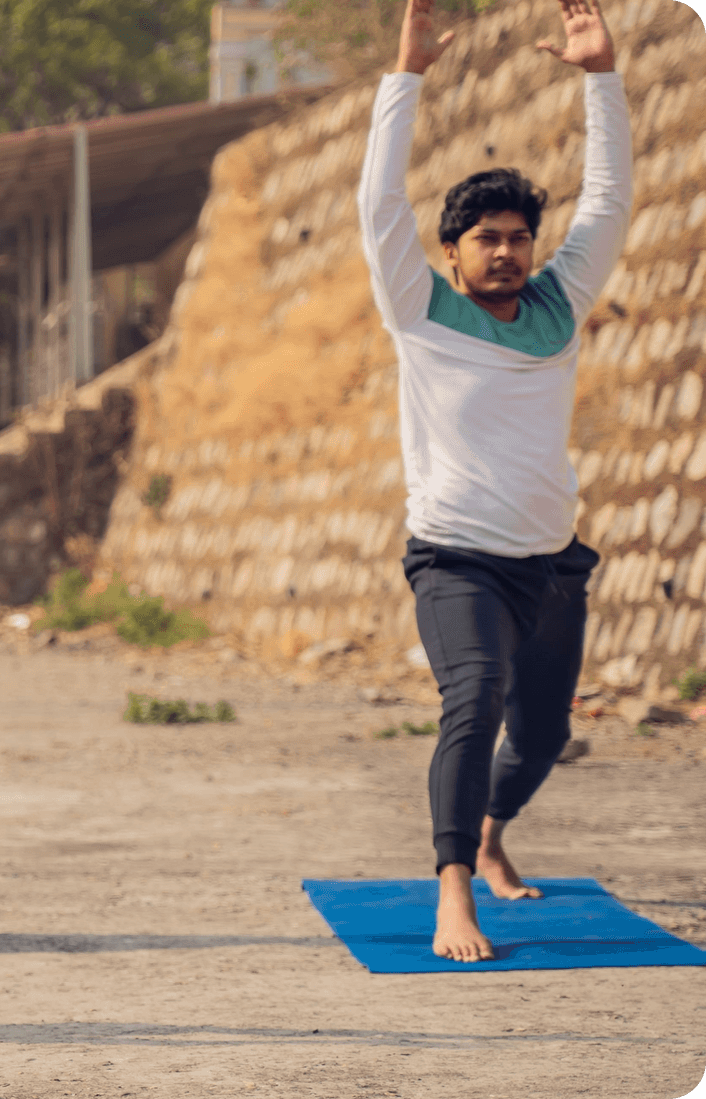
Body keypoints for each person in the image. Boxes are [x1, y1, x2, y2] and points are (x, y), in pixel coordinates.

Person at [359, 0, 628, 963]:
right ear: (454, 251)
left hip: (551, 564)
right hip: (456, 559)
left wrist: (601, 77)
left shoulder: (559, 304)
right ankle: (453, 893)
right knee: (473, 701)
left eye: (519, 235)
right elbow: (378, 206)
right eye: (487, 237)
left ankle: (490, 828)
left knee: (544, 734)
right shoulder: (418, 308)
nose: (507, 249)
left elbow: (607, 204)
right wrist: (408, 75)